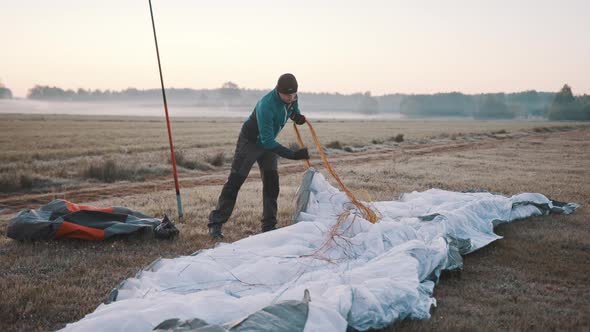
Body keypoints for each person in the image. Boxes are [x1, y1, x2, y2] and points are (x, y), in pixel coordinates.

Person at [208, 73, 309, 239]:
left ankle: (269, 226)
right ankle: (215, 223)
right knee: (235, 181)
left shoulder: (292, 97)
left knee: (272, 182)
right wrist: (293, 155)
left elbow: (292, 110)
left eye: (294, 94)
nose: (291, 98)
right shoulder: (266, 105)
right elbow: (268, 142)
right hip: (250, 142)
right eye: (287, 95)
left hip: (267, 143)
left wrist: (296, 116)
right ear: (278, 91)